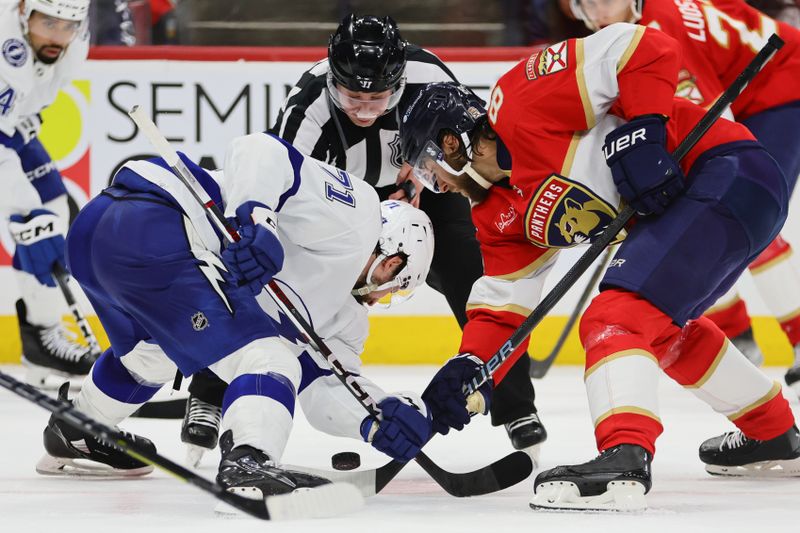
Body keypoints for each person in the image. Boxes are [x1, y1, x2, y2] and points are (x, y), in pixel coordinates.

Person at [399, 22, 799, 511]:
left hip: (727, 169)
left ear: (451, 142)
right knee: (658, 330)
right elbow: (504, 306)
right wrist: (468, 367)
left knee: (614, 317)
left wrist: (646, 130)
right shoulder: (497, 215)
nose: (433, 185)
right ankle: (774, 433)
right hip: (711, 201)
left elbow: (644, 46)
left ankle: (622, 459)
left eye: (426, 168)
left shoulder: (520, 98)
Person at [180, 14, 546, 462]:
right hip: (342, 201)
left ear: (400, 81)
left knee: (471, 271)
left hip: (425, 185)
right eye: (353, 98)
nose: (367, 111)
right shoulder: (309, 104)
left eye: (379, 98)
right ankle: (211, 388)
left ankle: (514, 404)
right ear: (334, 81)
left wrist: (418, 178)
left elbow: (466, 144)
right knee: (267, 269)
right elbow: (273, 183)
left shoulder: (428, 76)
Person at [36, 131, 436, 497]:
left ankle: (77, 427)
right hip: (154, 217)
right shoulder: (357, 214)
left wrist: (376, 417)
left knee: (153, 355)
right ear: (392, 262)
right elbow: (261, 149)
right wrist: (257, 220)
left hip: (99, 241)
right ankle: (250, 459)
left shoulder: (343, 319)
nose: (377, 298)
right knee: (269, 357)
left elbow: (324, 390)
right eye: (390, 289)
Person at [557, 0, 800, 393]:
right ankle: (738, 333)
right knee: (695, 225)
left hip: (784, 80)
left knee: (743, 203)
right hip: (746, 83)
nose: (596, 13)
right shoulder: (625, 36)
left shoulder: (661, 30)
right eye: (584, 5)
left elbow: (711, 125)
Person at [1, 0, 96, 387]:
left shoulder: (75, 42)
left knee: (55, 214)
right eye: (49, 23)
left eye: (68, 25)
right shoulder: (7, 51)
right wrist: (23, 209)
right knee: (35, 223)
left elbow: (26, 107)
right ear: (24, 11)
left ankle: (42, 340)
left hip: (10, 131)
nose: (59, 35)